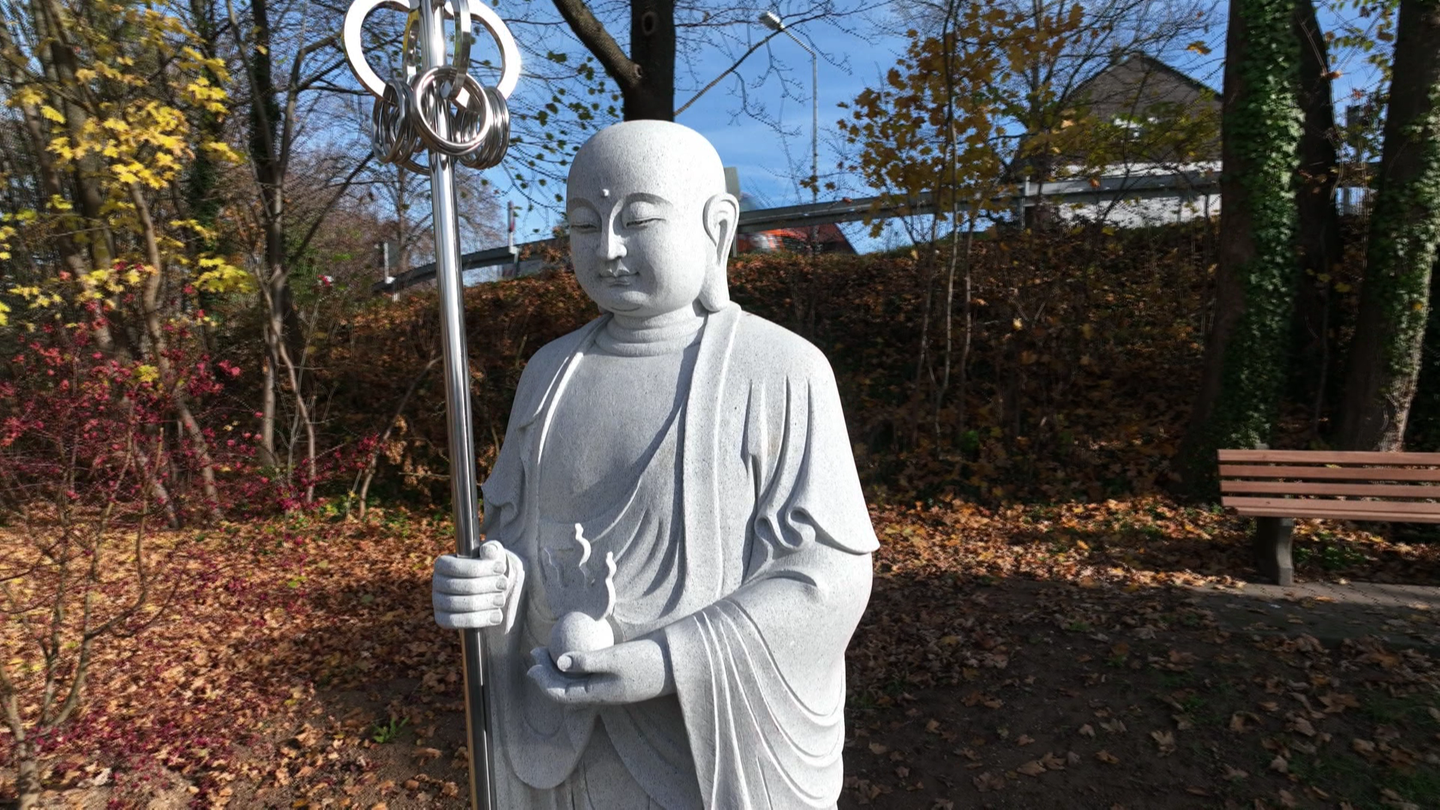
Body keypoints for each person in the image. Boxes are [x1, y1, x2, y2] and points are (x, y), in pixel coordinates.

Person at [432, 120, 877, 810]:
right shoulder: (549, 371)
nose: (607, 248)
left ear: (718, 227)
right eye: (584, 225)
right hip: (557, 729)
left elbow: (829, 574)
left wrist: (669, 661)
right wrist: (485, 586)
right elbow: (513, 540)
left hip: (704, 746)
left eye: (638, 220)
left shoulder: (779, 369)